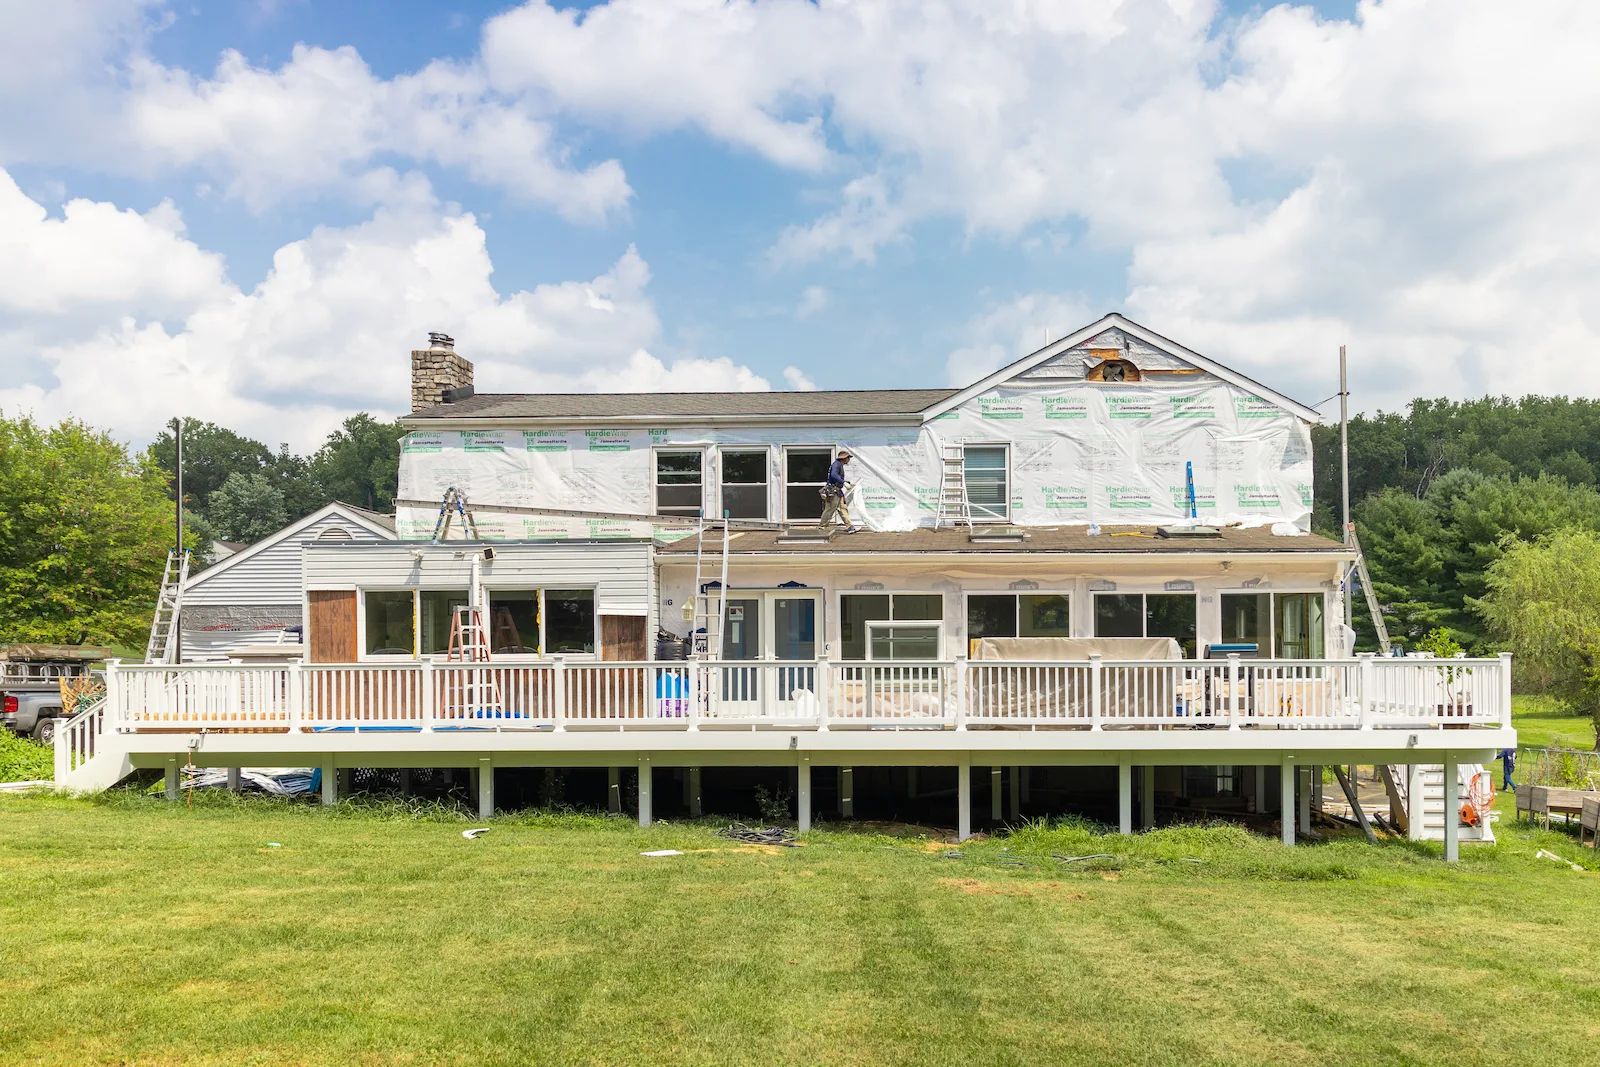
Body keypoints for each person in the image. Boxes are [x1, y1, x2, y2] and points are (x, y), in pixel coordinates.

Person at [820, 448, 859, 533]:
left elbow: (836, 477)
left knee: (843, 508)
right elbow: (834, 475)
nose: (849, 460)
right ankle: (822, 527)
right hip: (833, 491)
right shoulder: (836, 464)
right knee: (830, 509)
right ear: (844, 458)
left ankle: (850, 526)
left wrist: (846, 482)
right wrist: (843, 482)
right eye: (848, 458)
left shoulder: (838, 465)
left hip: (837, 491)